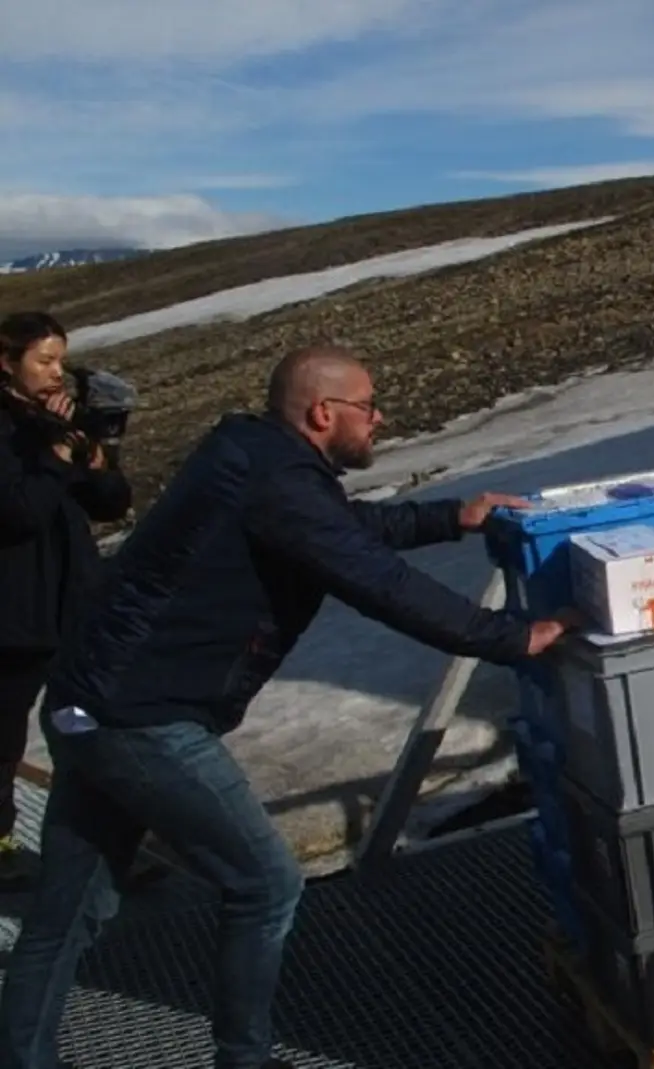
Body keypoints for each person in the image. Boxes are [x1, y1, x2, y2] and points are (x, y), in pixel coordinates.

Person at [0, 344, 579, 1069]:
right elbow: (378, 581)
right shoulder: (275, 481)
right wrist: (513, 636)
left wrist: (454, 516)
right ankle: (244, 1058)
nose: (380, 418)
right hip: (138, 715)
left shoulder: (262, 460)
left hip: (94, 699)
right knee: (265, 880)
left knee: (72, 905)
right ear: (322, 412)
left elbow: (344, 528)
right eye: (368, 406)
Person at [0, 311, 132, 888]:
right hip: (13, 614)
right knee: (4, 735)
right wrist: (55, 459)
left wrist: (97, 458)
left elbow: (111, 503)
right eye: (44, 361)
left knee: (92, 724)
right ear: (7, 363)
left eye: (61, 360)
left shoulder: (58, 419)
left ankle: (106, 846)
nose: (58, 373)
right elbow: (18, 513)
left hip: (76, 605)